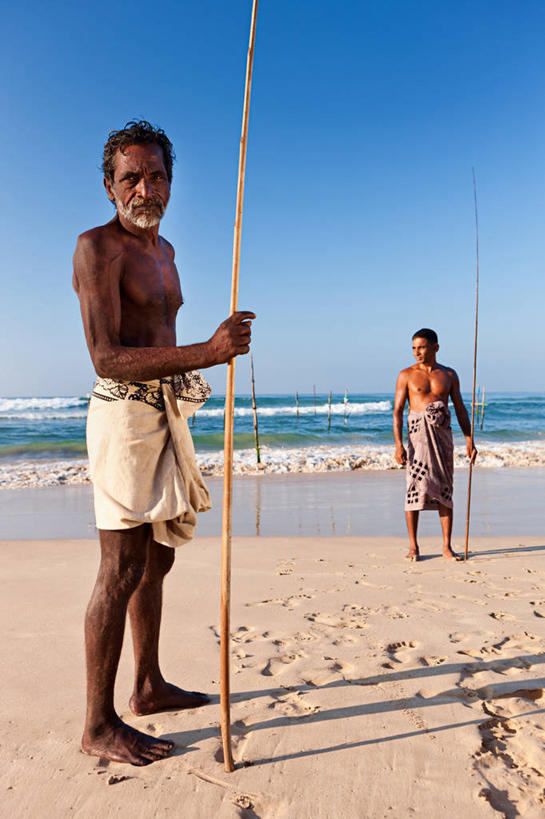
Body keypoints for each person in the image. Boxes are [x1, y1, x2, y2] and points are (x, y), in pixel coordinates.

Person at [73, 120, 255, 766]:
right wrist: (208, 351)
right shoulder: (98, 248)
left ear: (170, 183)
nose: (143, 187)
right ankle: (97, 722)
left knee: (158, 559)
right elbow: (106, 357)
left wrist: (207, 354)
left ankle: (146, 684)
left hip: (166, 413)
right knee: (120, 566)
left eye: (155, 175)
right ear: (108, 185)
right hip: (122, 416)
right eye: (130, 177)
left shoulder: (167, 252)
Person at [393, 328, 477, 562]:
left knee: (444, 489)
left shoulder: (449, 374)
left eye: (421, 347)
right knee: (414, 489)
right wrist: (398, 444)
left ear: (435, 347)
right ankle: (413, 546)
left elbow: (460, 409)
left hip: (442, 437)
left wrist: (470, 440)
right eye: (413, 348)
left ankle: (447, 546)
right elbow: (398, 412)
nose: (417, 352)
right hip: (417, 437)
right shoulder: (406, 375)